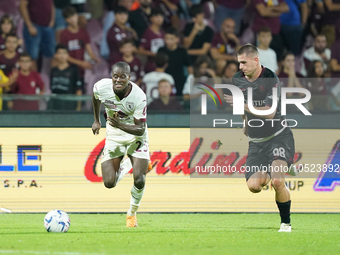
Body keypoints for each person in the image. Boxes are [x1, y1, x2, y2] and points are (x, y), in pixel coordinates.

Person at [224, 44, 295, 232]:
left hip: (278, 136)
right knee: (254, 186)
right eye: (239, 63)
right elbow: (241, 107)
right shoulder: (238, 79)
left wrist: (243, 104)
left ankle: (285, 224)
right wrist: (245, 124)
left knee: (278, 181)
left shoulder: (271, 79)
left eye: (243, 63)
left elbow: (270, 113)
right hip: (256, 141)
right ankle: (278, 166)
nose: (240, 67)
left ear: (256, 60)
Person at [92, 61, 149, 227]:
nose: (118, 80)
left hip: (135, 135)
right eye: (115, 76)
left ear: (129, 78)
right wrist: (96, 120)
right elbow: (95, 96)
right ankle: (127, 165)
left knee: (139, 180)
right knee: (109, 183)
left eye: (122, 77)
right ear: (111, 76)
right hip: (114, 135)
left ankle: (131, 214)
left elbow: (140, 129)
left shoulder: (139, 96)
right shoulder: (101, 86)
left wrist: (120, 125)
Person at [60, 6, 100, 83]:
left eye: (73, 16)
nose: (72, 19)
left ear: (77, 16)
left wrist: (94, 58)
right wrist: (81, 63)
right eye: (69, 18)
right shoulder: (64, 34)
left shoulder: (83, 32)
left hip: (81, 70)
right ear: (66, 20)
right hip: (69, 69)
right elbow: (64, 55)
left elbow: (88, 48)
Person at [19, 0, 56, 71]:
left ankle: (53, 79)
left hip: (48, 26)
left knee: (53, 54)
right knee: (33, 56)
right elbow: (22, 6)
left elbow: (52, 4)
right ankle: (34, 80)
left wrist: (52, 20)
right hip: (34, 26)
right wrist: (29, 26)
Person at [158, 27, 192, 96]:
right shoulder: (161, 51)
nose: (169, 41)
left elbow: (189, 67)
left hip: (179, 81)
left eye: (171, 39)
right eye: (167, 38)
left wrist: (190, 80)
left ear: (177, 39)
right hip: (165, 81)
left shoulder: (182, 51)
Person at [49, 44, 83, 111]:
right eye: (59, 53)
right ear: (55, 55)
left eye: (64, 53)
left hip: (69, 105)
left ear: (68, 55)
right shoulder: (53, 71)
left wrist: (78, 107)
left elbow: (78, 90)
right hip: (55, 105)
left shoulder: (74, 70)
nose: (62, 56)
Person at [138, 8, 165, 73]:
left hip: (163, 66)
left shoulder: (163, 33)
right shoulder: (147, 32)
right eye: (156, 16)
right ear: (151, 18)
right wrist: (155, 54)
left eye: (161, 16)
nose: (159, 18)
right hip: (151, 65)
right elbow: (140, 50)